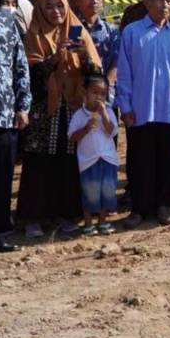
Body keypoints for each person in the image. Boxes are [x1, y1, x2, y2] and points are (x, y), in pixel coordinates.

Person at [16, 0, 102, 237]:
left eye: (60, 5)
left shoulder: (77, 30)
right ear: (41, 9)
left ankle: (65, 214)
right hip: (45, 109)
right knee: (39, 163)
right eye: (50, 6)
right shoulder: (34, 34)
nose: (56, 11)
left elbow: (94, 72)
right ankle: (33, 217)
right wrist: (55, 57)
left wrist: (81, 55)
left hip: (73, 107)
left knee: (68, 162)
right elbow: (29, 74)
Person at [116, 0, 170, 227]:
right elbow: (124, 73)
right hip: (140, 108)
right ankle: (139, 208)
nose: (165, 5)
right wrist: (125, 105)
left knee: (168, 158)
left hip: (169, 109)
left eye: (169, 1)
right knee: (140, 159)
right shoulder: (132, 33)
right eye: (160, 0)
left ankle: (164, 205)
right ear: (147, 2)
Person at [0, 0, 30, 252]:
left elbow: (20, 65)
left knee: (0, 178)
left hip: (1, 114)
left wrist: (23, 105)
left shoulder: (4, 20)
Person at [68, 72, 118, 235]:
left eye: (102, 93)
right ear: (85, 93)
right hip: (88, 161)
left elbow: (112, 131)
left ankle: (103, 221)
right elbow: (72, 137)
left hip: (108, 158)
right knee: (90, 192)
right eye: (94, 92)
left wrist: (104, 114)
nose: (99, 97)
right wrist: (85, 129)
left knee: (107, 191)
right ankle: (88, 223)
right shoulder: (79, 115)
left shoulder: (109, 112)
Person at [71, 0, 120, 93]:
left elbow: (116, 63)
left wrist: (104, 87)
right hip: (78, 91)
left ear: (102, 1)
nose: (93, 1)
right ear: (78, 1)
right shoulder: (73, 29)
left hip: (105, 91)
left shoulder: (112, 31)